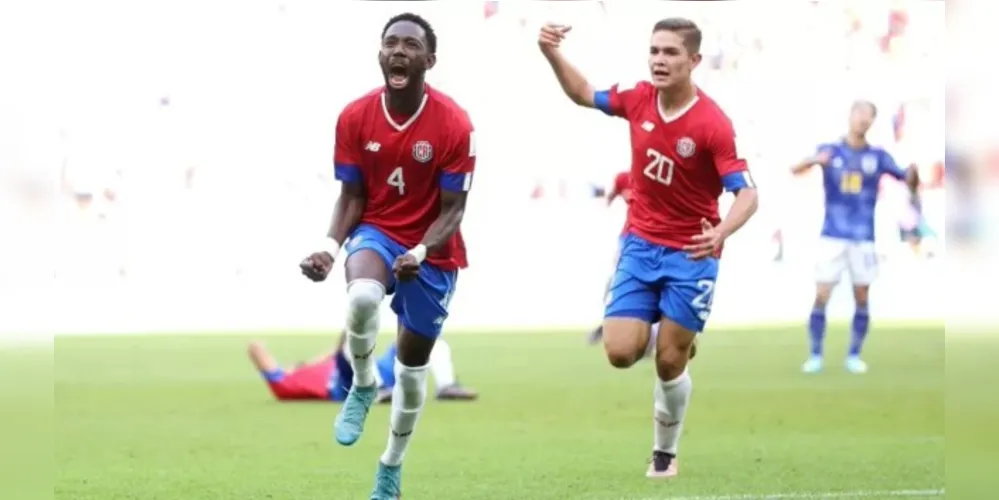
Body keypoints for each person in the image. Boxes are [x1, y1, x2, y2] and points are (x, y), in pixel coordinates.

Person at [538, 18, 759, 479]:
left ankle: (664, 453)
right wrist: (551, 53)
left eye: (671, 53)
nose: (659, 60)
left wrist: (720, 234)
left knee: (669, 362)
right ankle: (668, 331)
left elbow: (748, 194)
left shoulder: (712, 123)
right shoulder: (637, 96)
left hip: (692, 253)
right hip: (639, 245)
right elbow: (585, 93)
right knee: (619, 352)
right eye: (655, 50)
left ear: (694, 61)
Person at [298, 12, 476, 500]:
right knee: (360, 298)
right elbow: (352, 197)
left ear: (429, 60)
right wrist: (330, 249)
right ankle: (360, 383)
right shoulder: (355, 116)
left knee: (411, 373)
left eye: (410, 45)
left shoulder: (455, 123)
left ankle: (390, 467)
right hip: (377, 232)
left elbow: (454, 210)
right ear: (380, 54)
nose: (399, 51)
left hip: (433, 252)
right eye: (390, 43)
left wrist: (420, 250)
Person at [791, 100, 919, 375]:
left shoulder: (878, 156)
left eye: (869, 116)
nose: (863, 120)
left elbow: (907, 180)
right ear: (850, 116)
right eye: (859, 114)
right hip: (833, 235)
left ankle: (854, 355)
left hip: (863, 237)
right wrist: (815, 160)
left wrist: (914, 173)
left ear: (873, 122)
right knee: (822, 293)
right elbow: (795, 169)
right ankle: (815, 355)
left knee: (861, 295)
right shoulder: (830, 150)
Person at [248, 336, 478, 403]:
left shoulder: (312, 366)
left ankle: (446, 386)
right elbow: (255, 348)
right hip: (348, 385)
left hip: (377, 369)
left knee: (424, 340)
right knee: (351, 344)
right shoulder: (285, 383)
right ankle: (374, 390)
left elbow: (335, 352)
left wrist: (305, 363)